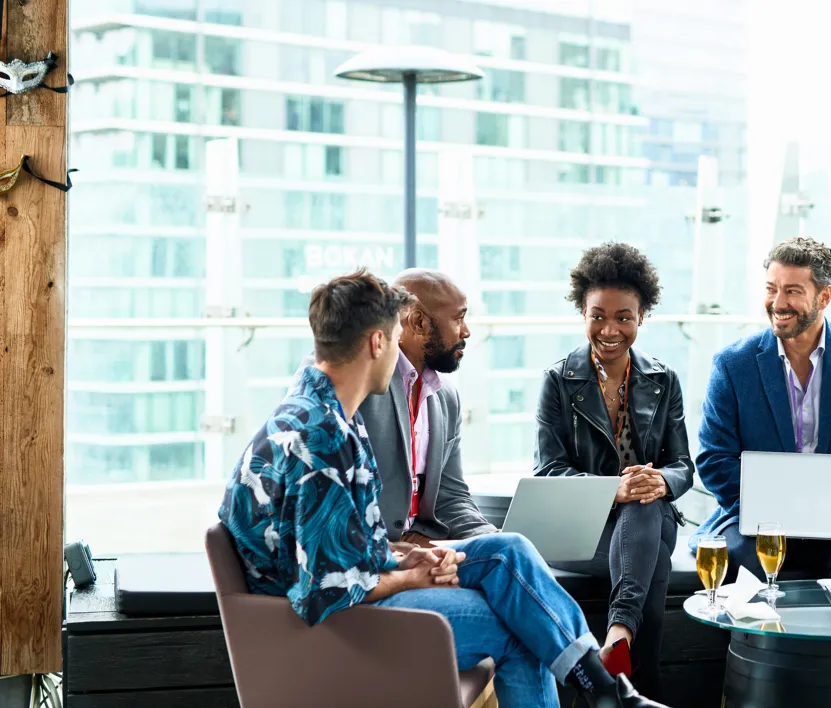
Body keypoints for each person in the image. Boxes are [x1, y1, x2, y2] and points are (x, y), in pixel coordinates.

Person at [220, 270, 667, 708]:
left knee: (507, 549)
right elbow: (323, 587)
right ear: (380, 342)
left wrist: (406, 553)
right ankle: (606, 691)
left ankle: (608, 692)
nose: (398, 353)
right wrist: (410, 575)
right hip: (320, 627)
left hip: (349, 590)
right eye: (395, 338)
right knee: (522, 631)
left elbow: (341, 538)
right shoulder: (323, 436)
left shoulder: (322, 414)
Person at [694, 236, 831, 580]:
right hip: (755, 520)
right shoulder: (733, 364)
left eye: (793, 291)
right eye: (772, 288)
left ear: (824, 296)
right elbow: (713, 458)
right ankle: (757, 636)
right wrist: (765, 510)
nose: (778, 302)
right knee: (748, 569)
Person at [534, 243, 693, 697]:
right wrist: (612, 490)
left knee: (645, 505)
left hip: (646, 519)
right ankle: (641, 682)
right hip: (581, 531)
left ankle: (618, 641)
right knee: (653, 555)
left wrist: (661, 479)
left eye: (624, 317)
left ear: (642, 316)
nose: (610, 329)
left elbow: (684, 466)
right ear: (582, 314)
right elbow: (548, 471)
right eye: (598, 315)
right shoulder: (558, 381)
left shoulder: (664, 380)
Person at [352, 268, 497, 545]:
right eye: (459, 318)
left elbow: (450, 497)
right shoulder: (361, 385)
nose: (466, 331)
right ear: (418, 322)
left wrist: (488, 537)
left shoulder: (447, 397)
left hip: (424, 544)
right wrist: (397, 549)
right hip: (377, 551)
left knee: (510, 548)